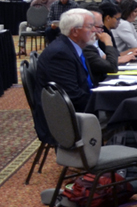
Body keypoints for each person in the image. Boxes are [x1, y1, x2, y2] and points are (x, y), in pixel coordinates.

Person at [31, 8, 96, 142]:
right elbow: (73, 96)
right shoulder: (60, 54)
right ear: (75, 31)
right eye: (90, 26)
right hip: (64, 120)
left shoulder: (73, 47)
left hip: (76, 109)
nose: (94, 30)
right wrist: (105, 103)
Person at [83, 9, 137, 85]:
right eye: (99, 27)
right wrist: (108, 43)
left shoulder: (93, 40)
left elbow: (103, 57)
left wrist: (124, 56)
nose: (101, 31)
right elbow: (110, 67)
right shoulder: (87, 45)